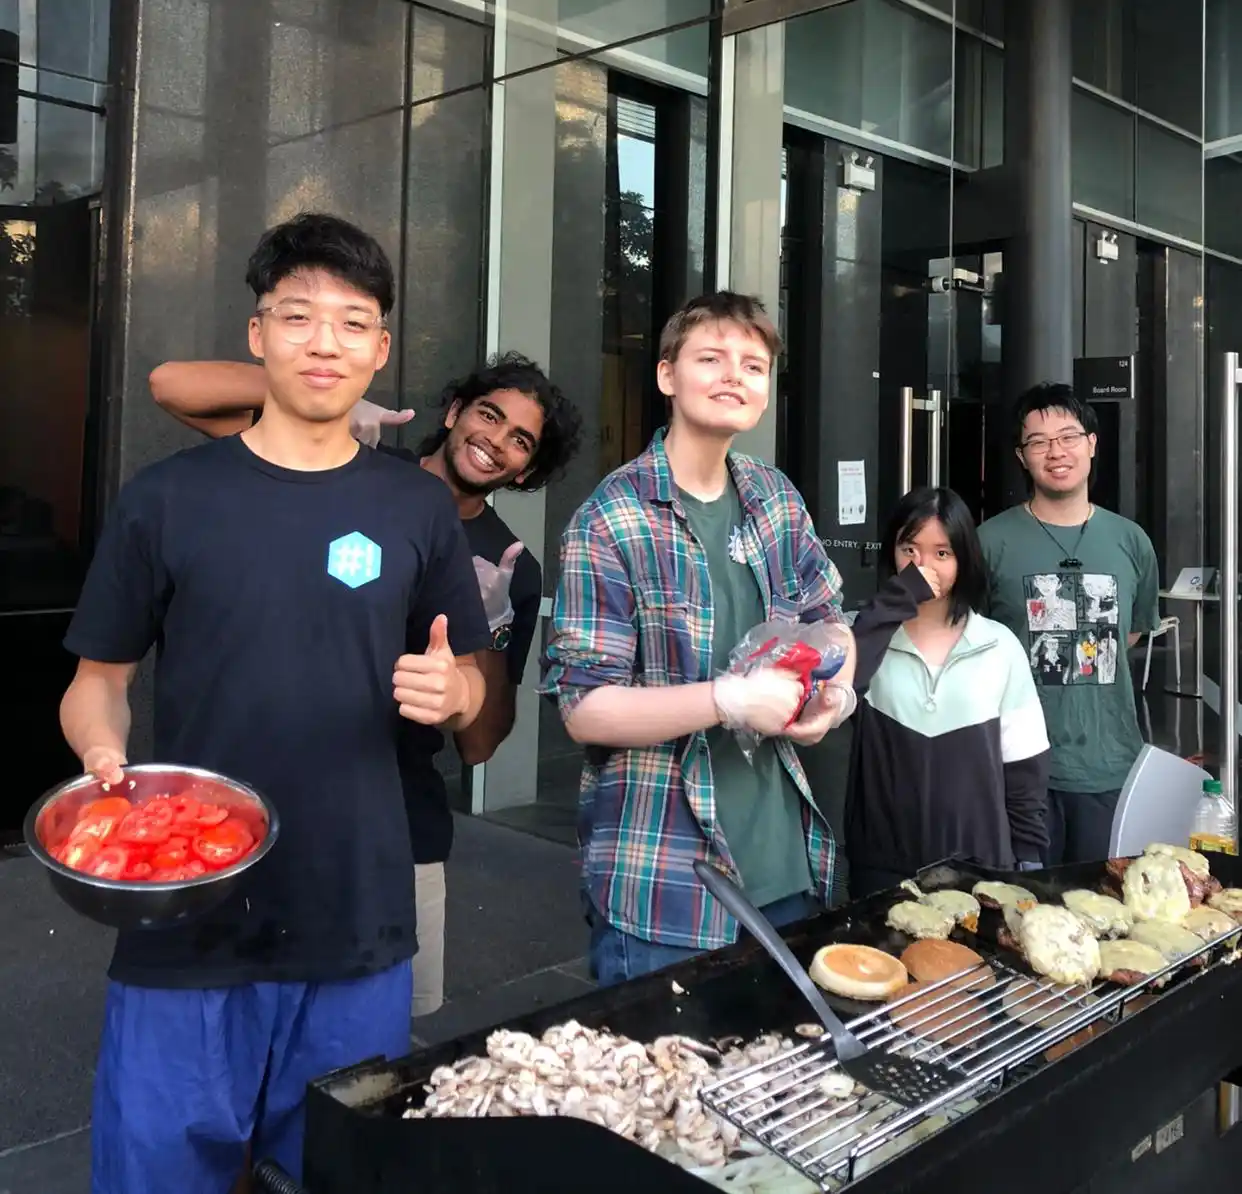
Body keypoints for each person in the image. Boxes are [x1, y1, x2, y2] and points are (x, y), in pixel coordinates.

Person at [61, 212, 491, 1192]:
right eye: (298, 316)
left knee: (337, 1174)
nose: (323, 341)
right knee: (157, 1174)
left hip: (356, 913)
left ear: (380, 349)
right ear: (258, 335)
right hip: (189, 908)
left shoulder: (414, 506)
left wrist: (455, 690)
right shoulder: (167, 499)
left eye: (352, 322)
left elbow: (468, 683)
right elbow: (99, 683)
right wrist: (101, 758)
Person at [150, 352, 582, 1016]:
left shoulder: (510, 569)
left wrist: (488, 630)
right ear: (455, 412)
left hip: (399, 823)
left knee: (382, 1033)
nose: (496, 440)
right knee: (232, 1012)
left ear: (526, 469)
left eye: (520, 440)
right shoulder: (350, 462)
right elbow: (171, 387)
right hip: (259, 794)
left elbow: (481, 745)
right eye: (489, 415)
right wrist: (327, 404)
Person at [541, 291, 856, 986]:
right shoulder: (611, 519)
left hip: (786, 867)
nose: (734, 375)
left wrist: (834, 695)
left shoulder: (776, 498)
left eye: (753, 365)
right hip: (666, 881)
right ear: (667, 375)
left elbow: (831, 621)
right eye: (711, 358)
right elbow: (585, 709)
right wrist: (728, 700)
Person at [978, 382, 1159, 865]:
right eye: (1038, 442)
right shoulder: (988, 543)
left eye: (1069, 437)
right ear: (1022, 456)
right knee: (1022, 901)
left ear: (1092, 444)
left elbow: (1129, 634)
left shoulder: (1132, 542)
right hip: (1017, 768)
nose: (1056, 452)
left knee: (1105, 899)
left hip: (1110, 765)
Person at [845, 487, 1050, 898]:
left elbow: (1024, 765)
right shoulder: (864, 636)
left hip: (978, 865)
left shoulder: (999, 645)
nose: (924, 566)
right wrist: (896, 602)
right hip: (882, 865)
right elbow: (836, 690)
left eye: (942, 553)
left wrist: (1028, 858)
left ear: (964, 559)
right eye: (910, 550)